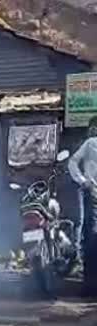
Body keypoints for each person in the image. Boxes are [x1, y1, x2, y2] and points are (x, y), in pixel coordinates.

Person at [68, 116, 97, 296]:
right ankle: (89, 285)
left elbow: (72, 162)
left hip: (92, 193)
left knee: (91, 237)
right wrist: (83, 181)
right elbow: (72, 162)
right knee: (92, 237)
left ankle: (89, 285)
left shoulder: (90, 143)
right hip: (93, 195)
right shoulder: (90, 143)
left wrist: (82, 180)